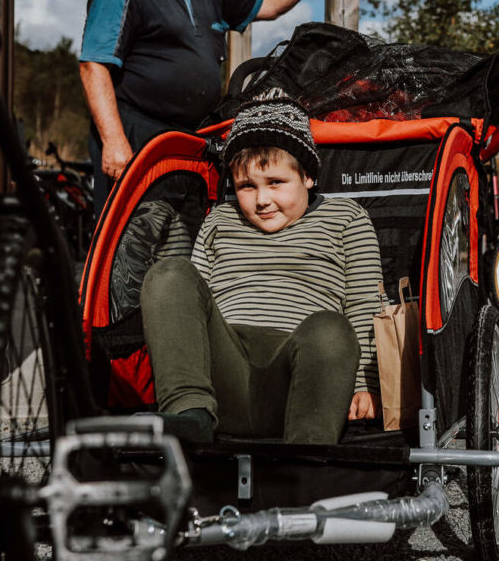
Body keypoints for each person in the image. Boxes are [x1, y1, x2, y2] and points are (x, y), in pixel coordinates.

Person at [138, 94, 382, 444]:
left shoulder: (346, 219)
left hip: (302, 379)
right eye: (246, 186)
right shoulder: (221, 219)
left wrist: (365, 384)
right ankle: (188, 413)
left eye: (276, 183)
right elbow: (192, 307)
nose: (262, 199)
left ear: (308, 177)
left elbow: (363, 305)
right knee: (169, 274)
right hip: (224, 375)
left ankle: (307, 454)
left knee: (331, 330)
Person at [78, 0, 330, 216]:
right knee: (135, 245)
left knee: (185, 245)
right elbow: (93, 66)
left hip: (194, 143)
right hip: (138, 141)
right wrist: (113, 141)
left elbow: (270, 4)